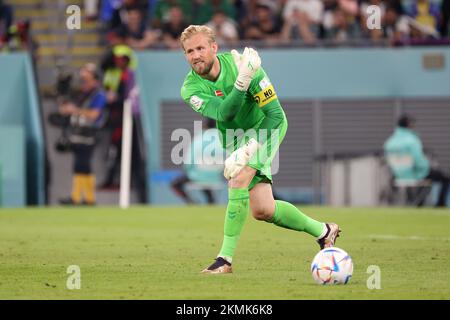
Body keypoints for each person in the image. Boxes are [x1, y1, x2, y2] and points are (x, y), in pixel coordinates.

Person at [179, 25, 341, 274]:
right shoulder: (190, 89)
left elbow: (275, 115)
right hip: (234, 137)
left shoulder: (248, 66)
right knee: (263, 210)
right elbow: (224, 113)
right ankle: (324, 231)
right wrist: (241, 83)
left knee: (238, 179)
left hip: (267, 126)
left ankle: (224, 260)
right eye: (189, 51)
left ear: (214, 47)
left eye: (200, 48)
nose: (196, 55)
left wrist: (252, 145)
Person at [59, 63, 107, 205]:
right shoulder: (81, 94)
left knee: (83, 164)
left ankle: (83, 197)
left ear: (95, 79)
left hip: (89, 134)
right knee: (80, 165)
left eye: (88, 75)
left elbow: (94, 115)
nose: (83, 79)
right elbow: (66, 109)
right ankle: (85, 197)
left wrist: (74, 110)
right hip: (77, 133)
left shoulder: (98, 95)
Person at [384, 114, 449, 207]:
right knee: (444, 178)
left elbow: (388, 161)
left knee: (425, 178)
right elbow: (419, 161)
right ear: (408, 125)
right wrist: (427, 166)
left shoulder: (389, 142)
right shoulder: (412, 140)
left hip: (398, 175)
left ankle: (418, 203)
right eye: (412, 123)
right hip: (414, 174)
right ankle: (440, 204)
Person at [171, 118, 224, 204]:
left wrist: (188, 170)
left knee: (175, 184)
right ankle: (211, 202)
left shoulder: (199, 138)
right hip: (216, 176)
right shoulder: (223, 138)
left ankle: (191, 202)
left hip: (197, 175)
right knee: (205, 180)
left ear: (205, 125)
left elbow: (189, 161)